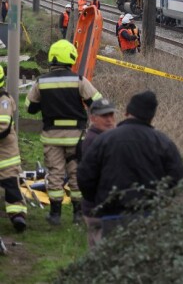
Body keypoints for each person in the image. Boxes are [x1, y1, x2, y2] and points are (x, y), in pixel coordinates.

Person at [77, 90, 183, 237]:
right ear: (152, 116)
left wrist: (98, 201)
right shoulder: (164, 143)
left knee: (110, 257)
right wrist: (159, 203)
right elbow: (177, 178)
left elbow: (85, 176)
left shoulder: (104, 140)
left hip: (110, 215)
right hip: (149, 216)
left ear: (127, 112)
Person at [27, 39, 104, 225]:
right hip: (76, 137)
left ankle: (55, 214)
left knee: (55, 172)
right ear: (70, 58)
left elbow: (30, 108)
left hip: (52, 137)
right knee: (76, 173)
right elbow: (98, 102)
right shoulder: (79, 81)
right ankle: (78, 214)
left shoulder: (41, 82)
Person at [77, 97, 117, 248]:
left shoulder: (105, 137)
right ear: (93, 118)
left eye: (111, 115)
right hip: (98, 208)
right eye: (104, 116)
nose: (109, 120)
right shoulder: (95, 141)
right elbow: (88, 177)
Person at [0, 65, 27, 232]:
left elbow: (3, 127)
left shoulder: (4, 101)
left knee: (10, 184)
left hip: (5, 153)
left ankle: (18, 216)